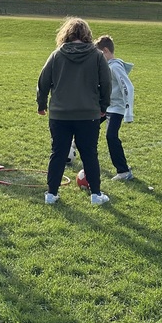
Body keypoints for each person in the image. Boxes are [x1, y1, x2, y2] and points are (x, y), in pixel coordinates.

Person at [36, 17, 112, 206]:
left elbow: (43, 81)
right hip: (88, 114)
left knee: (58, 153)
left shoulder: (57, 55)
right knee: (89, 154)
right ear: (86, 34)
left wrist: (41, 104)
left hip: (60, 114)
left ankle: (51, 194)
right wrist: (103, 106)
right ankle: (96, 194)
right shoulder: (97, 56)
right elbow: (107, 84)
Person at [96, 35, 134, 181]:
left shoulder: (115, 67)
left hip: (116, 109)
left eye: (99, 54)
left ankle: (124, 171)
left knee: (111, 136)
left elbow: (128, 87)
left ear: (105, 51)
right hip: (106, 106)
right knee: (88, 124)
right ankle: (73, 146)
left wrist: (129, 112)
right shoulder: (106, 66)